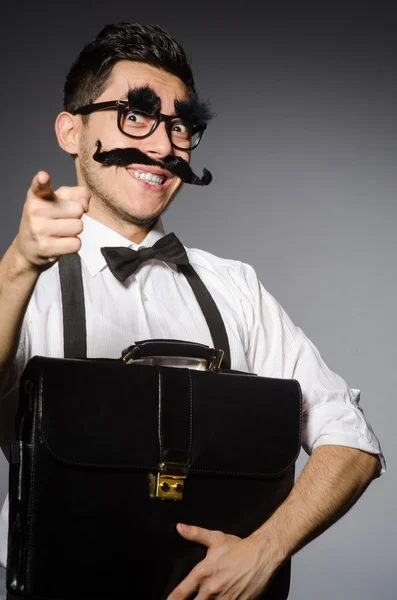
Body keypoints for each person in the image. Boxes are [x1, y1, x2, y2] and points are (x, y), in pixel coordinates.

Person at [0, 21, 385, 600]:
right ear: (70, 131)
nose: (161, 146)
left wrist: (266, 549)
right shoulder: (21, 284)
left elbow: (353, 442)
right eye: (136, 114)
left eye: (180, 126)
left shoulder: (237, 286)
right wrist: (18, 268)